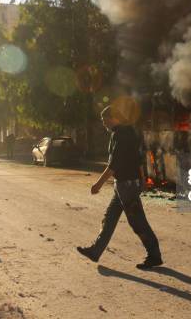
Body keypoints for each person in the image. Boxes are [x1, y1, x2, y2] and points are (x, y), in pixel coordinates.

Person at [77, 106, 162, 269]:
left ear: (113, 117)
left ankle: (154, 256)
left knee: (137, 222)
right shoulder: (127, 132)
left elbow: (114, 164)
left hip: (127, 185)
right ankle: (96, 251)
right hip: (123, 185)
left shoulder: (121, 134)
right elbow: (137, 159)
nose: (104, 124)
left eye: (104, 120)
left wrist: (98, 184)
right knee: (109, 218)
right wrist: (142, 179)